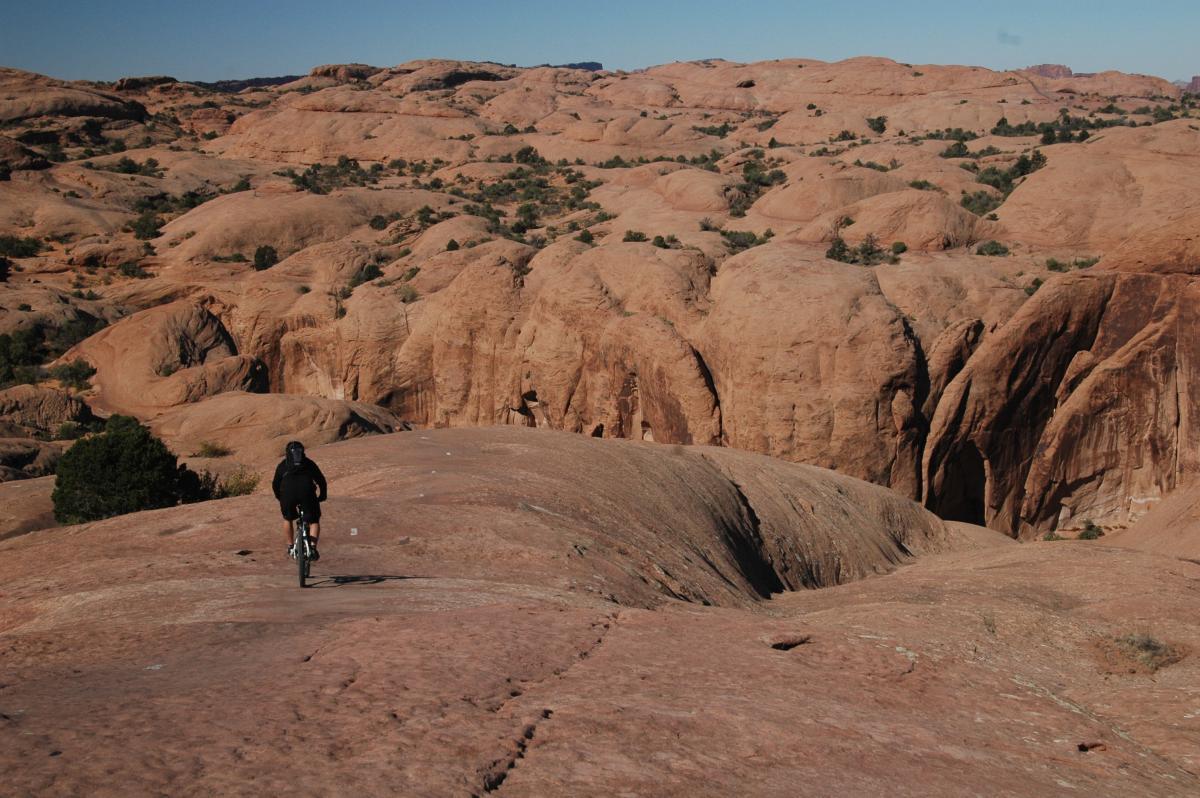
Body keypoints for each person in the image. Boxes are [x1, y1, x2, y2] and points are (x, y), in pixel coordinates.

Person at [272, 440, 327, 561]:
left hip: (287, 494)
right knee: (314, 520)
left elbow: (275, 483)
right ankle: (312, 548)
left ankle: (290, 546)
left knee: (288, 518)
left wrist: (279, 497)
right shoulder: (309, 463)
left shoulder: (283, 464)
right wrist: (323, 495)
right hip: (307, 493)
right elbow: (321, 480)